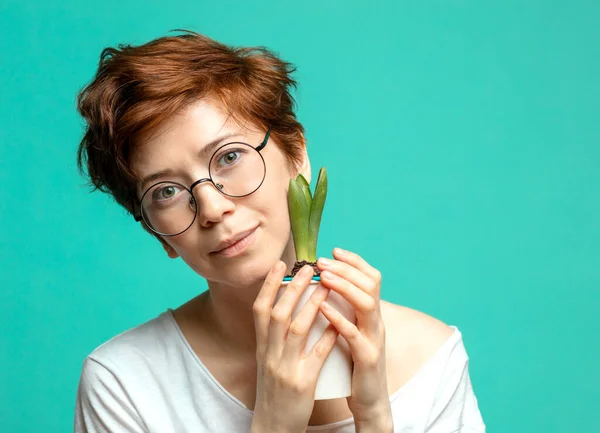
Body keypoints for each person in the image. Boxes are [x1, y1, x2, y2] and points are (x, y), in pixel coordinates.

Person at [73, 29, 486, 433]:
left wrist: (375, 418)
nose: (213, 209)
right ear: (159, 234)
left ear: (297, 156)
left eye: (230, 156)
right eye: (166, 191)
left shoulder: (431, 359)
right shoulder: (124, 385)